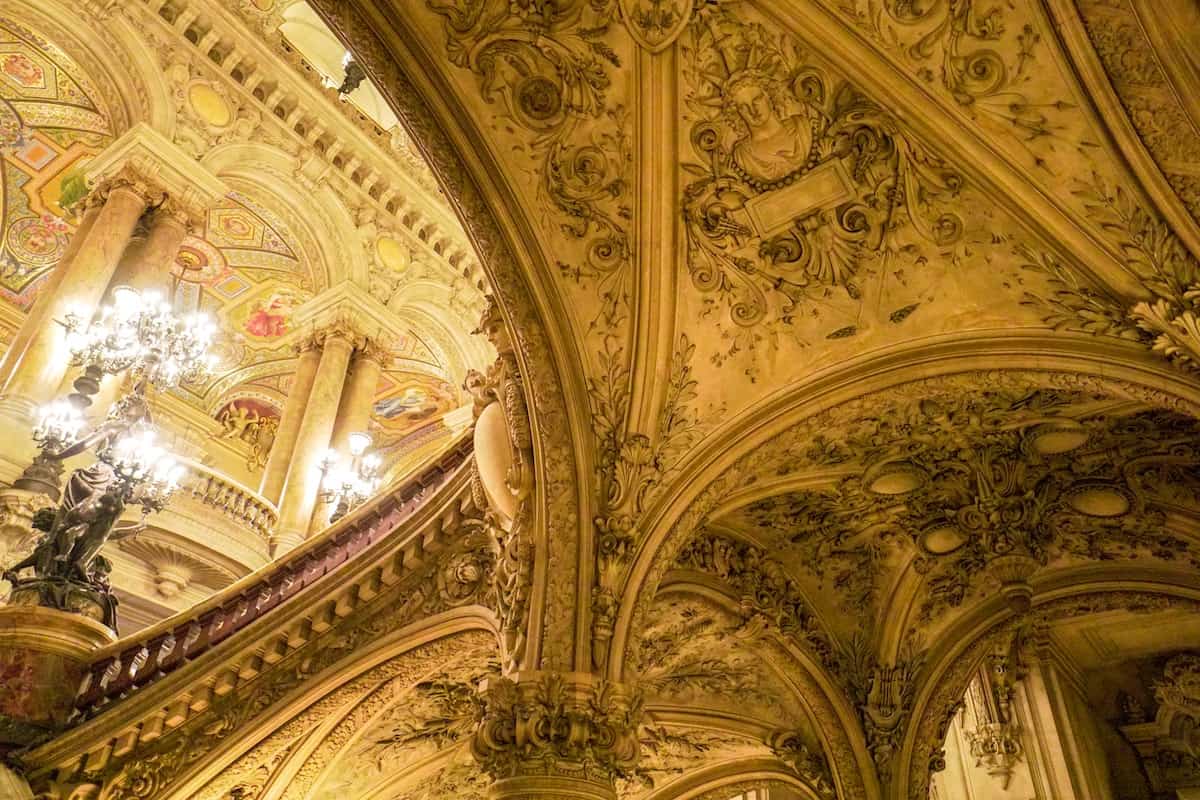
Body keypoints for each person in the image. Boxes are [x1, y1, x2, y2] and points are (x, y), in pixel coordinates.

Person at [726, 71, 813, 184]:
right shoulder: (743, 155)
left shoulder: (801, 127)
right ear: (737, 114)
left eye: (757, 100)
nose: (752, 110)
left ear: (769, 97)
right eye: (743, 107)